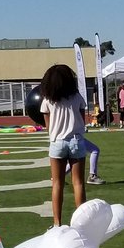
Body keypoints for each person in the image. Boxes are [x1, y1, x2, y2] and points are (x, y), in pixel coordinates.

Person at [38, 64, 89, 226]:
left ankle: (57, 223)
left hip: (57, 142)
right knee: (78, 183)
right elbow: (82, 118)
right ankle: (81, 223)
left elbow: (48, 125)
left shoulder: (48, 100)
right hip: (76, 140)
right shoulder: (77, 97)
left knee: (57, 183)